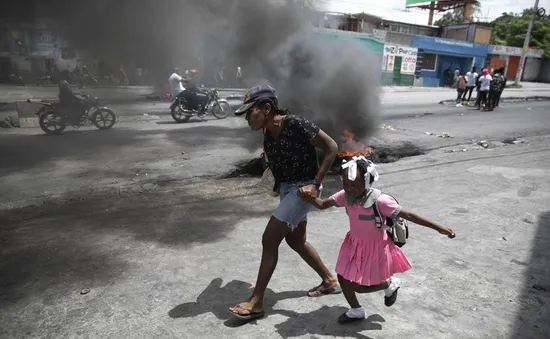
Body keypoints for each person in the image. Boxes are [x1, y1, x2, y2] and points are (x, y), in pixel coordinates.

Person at [299, 156, 456, 324]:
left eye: (355, 184)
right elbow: (322, 204)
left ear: (367, 182)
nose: (349, 188)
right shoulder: (345, 196)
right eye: (346, 183)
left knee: (357, 286)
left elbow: (408, 214)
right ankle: (356, 310)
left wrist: (439, 227)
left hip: (375, 249)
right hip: (354, 244)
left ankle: (388, 284)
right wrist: (307, 196)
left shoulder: (380, 201)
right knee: (343, 278)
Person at [229, 85, 340, 320]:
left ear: (266, 108)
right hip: (288, 189)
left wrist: (316, 184)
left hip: (303, 190)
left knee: (269, 238)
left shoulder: (295, 124)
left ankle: (256, 300)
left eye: (250, 112)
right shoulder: (268, 133)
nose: (247, 117)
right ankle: (330, 280)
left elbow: (332, 147)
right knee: (296, 240)